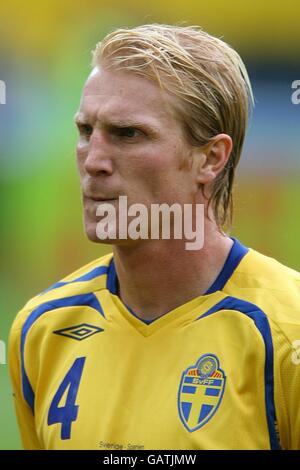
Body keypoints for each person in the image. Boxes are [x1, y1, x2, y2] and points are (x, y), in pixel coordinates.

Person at [9, 24, 300, 450]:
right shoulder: (42, 329)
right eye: (86, 131)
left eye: (128, 134)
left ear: (211, 158)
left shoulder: (286, 333)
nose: (94, 161)